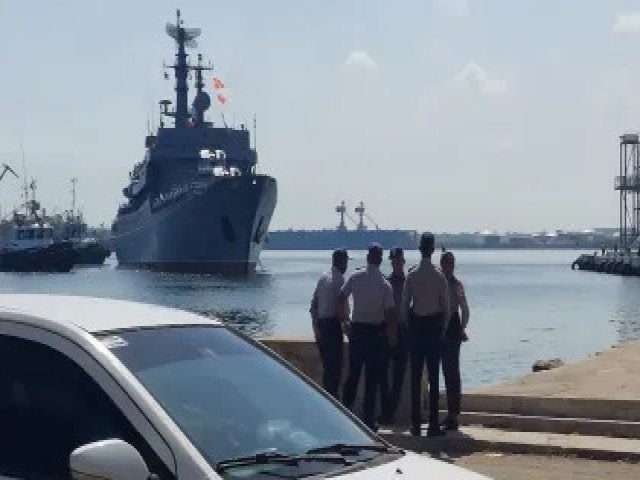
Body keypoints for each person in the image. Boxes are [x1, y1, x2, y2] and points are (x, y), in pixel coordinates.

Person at [339, 243, 396, 430]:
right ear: (380, 259)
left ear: (367, 257)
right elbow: (389, 314)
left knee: (353, 376)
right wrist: (391, 337)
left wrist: (344, 320)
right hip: (375, 334)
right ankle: (369, 421)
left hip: (357, 332)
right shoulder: (384, 284)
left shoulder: (355, 276)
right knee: (371, 380)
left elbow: (341, 296)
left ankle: (344, 414)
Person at [401, 232, 449, 437]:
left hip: (417, 328)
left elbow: (404, 307)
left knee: (415, 376)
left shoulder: (412, 274)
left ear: (420, 249)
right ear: (433, 249)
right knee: (433, 376)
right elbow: (446, 307)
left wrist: (408, 327)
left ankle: (414, 425)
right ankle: (434, 425)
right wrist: (443, 329)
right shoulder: (439, 276)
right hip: (433, 327)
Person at [310, 249, 349, 397]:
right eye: (345, 261)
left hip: (321, 326)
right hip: (333, 328)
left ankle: (328, 401)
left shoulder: (322, 278)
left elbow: (313, 305)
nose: (346, 266)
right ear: (341, 262)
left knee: (327, 370)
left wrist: (316, 328)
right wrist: (348, 328)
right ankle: (333, 403)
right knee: (335, 371)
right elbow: (342, 311)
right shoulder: (340, 280)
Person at [440, 251, 470, 431]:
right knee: (447, 372)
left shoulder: (456, 285)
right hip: (443, 327)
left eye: (450, 263)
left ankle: (453, 414)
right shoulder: (441, 283)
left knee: (451, 372)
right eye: (446, 263)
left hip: (451, 328)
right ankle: (449, 414)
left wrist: (461, 328)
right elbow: (465, 309)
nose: (448, 266)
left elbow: (465, 309)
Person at [380, 246, 408, 424]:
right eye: (394, 260)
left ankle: (390, 414)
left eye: (399, 260)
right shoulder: (386, 283)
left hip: (404, 331)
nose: (396, 263)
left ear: (403, 262)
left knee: (398, 377)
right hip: (386, 330)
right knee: (383, 376)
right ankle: (385, 411)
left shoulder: (409, 282)